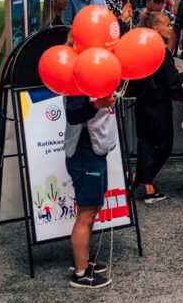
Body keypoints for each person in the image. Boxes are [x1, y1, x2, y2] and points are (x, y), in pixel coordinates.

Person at [63, 71, 118, 287]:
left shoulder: (93, 69)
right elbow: (73, 114)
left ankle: (83, 260)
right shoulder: (78, 74)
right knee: (86, 211)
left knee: (92, 207)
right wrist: (97, 104)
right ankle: (81, 273)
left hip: (93, 149)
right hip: (84, 149)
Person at [128, 11, 182, 204]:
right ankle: (144, 182)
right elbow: (172, 81)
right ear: (156, 29)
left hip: (141, 104)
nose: (170, 28)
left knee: (146, 145)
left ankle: (143, 182)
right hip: (159, 106)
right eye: (167, 25)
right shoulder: (161, 50)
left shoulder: (138, 49)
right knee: (164, 146)